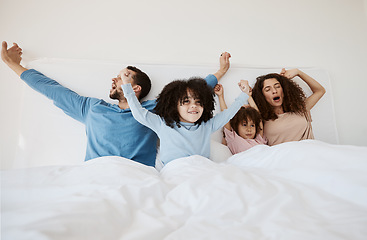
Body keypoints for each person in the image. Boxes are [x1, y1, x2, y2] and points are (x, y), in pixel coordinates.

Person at [1, 41, 231, 167]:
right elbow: (51, 89)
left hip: (137, 177)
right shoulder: (91, 108)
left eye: (122, 76)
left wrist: (220, 71)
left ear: (136, 88)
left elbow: (189, 93)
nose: (114, 78)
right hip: (95, 174)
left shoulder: (153, 110)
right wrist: (14, 66)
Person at [118, 68, 251, 165]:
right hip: (175, 171)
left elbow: (228, 114)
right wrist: (127, 87)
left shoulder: (207, 125)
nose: (194, 106)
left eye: (198, 102)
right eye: (186, 102)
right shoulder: (162, 124)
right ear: (174, 105)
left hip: (201, 170)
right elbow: (139, 113)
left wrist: (244, 94)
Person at [252, 68, 326, 146]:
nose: (274, 91)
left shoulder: (300, 108)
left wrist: (298, 72)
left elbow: (320, 90)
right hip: (283, 156)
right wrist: (247, 95)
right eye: (268, 89)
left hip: (309, 152)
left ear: (284, 90)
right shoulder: (261, 118)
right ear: (262, 96)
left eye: (277, 86)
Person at [214, 84, 267, 154]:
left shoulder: (258, 140)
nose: (249, 129)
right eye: (244, 125)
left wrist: (249, 96)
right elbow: (225, 116)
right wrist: (221, 96)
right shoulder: (233, 138)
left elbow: (259, 118)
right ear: (236, 126)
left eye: (252, 125)